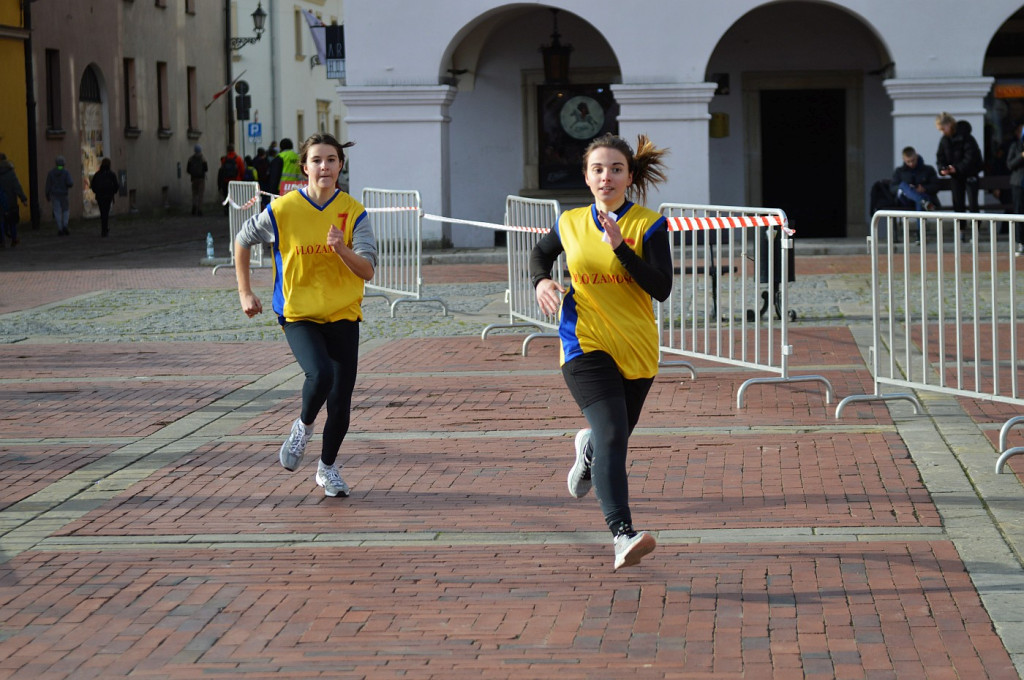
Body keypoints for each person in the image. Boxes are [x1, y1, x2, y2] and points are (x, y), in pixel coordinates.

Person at [529, 133, 672, 570]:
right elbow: (539, 253)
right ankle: (622, 534)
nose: (606, 177)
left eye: (614, 169)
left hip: (637, 347)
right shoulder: (570, 222)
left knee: (612, 438)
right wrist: (541, 280)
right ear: (586, 176)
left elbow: (661, 288)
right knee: (614, 435)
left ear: (629, 176)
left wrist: (621, 249)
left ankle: (588, 447)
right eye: (597, 169)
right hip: (583, 343)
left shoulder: (649, 224)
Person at [234, 133, 373, 498]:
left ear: (340, 165)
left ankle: (327, 468)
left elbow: (368, 270)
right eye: (317, 160)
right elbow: (242, 240)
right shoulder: (283, 210)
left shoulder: (354, 212)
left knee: (341, 401)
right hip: (299, 313)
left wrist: (341, 248)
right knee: (321, 373)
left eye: (331, 160)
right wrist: (245, 291)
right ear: (305, 166)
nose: (324, 166)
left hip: (343, 313)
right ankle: (304, 426)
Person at [936, 112, 983, 214]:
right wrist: (942, 169)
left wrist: (957, 168)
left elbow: (971, 157)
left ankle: (975, 227)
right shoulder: (944, 140)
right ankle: (960, 228)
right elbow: (940, 157)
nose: (942, 132)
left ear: (949, 125)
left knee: (973, 204)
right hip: (955, 176)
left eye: (943, 129)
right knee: (957, 203)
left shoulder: (967, 137)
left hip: (970, 174)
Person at [892, 146, 940, 211]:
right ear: (903, 159)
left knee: (921, 197)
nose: (911, 163)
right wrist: (908, 189)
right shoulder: (899, 171)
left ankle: (921, 201)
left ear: (916, 156)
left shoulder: (928, 169)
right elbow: (893, 188)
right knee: (903, 185)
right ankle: (922, 201)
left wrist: (924, 188)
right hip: (906, 200)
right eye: (908, 161)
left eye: (913, 160)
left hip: (925, 196)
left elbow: (936, 186)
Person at [0, 152, 28, 247]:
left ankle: (2, 240)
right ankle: (14, 238)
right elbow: (17, 187)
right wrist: (23, 199)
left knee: (1, 221)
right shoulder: (10, 173)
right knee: (12, 221)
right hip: (11, 200)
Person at [89, 157, 120, 237]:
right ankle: (104, 229)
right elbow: (116, 185)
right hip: (108, 196)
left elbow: (93, 185)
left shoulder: (97, 174)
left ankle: (104, 228)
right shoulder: (111, 174)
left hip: (100, 196)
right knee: (106, 212)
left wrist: (96, 192)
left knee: (103, 212)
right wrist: (113, 191)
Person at [1007, 119, 1024, 256]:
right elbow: (1010, 165)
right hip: (1019, 184)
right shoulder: (1015, 146)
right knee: (1019, 212)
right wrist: (1021, 156)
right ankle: (1020, 243)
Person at [45, 155, 74, 236]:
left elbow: (48, 185)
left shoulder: (51, 173)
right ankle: (65, 225)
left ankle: (60, 228)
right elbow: (70, 183)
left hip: (54, 194)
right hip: (64, 194)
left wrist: (47, 194)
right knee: (66, 210)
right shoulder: (66, 172)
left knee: (57, 211)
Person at [217, 144, 245, 214]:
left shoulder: (224, 159)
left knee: (226, 195)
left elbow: (222, 170)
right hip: (236, 180)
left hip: (226, 181)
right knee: (235, 195)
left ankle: (226, 209)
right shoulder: (238, 159)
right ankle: (234, 209)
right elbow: (242, 170)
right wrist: (241, 178)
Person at [186, 144, 208, 216]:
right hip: (201, 178)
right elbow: (206, 169)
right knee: (200, 195)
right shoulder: (203, 158)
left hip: (194, 178)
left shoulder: (191, 159)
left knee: (194, 194)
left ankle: (194, 207)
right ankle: (199, 210)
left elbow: (188, 170)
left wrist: (193, 173)